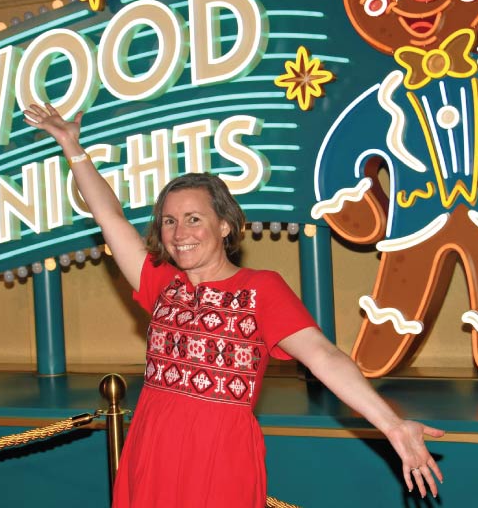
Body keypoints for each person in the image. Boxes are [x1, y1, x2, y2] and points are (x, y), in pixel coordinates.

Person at [23, 102, 445, 507]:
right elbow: (110, 217)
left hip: (219, 458)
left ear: (225, 225)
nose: (179, 232)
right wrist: (71, 147)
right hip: (151, 450)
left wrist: (390, 422)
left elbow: (323, 355)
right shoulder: (160, 284)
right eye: (169, 221)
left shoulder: (260, 288)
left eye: (194, 218)